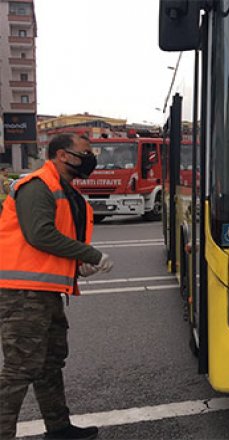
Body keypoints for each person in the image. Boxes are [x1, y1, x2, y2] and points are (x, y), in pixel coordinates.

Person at [0, 134, 114, 440]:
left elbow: (51, 243)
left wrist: (77, 266)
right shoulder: (38, 186)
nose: (91, 158)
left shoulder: (63, 188)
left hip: (43, 292)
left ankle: (59, 429)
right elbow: (40, 235)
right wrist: (89, 254)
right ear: (63, 155)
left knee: (49, 364)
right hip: (23, 294)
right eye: (86, 153)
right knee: (19, 369)